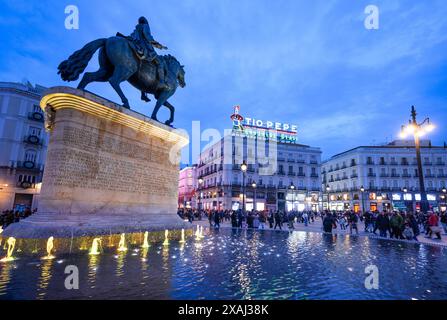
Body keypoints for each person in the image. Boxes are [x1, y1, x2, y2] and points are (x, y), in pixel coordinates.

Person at [128, 16, 169, 95]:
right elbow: (148, 37)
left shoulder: (136, 29)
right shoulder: (145, 26)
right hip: (145, 48)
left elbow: (132, 37)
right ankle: (161, 82)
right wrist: (160, 46)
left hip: (136, 46)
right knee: (160, 62)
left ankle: (143, 93)